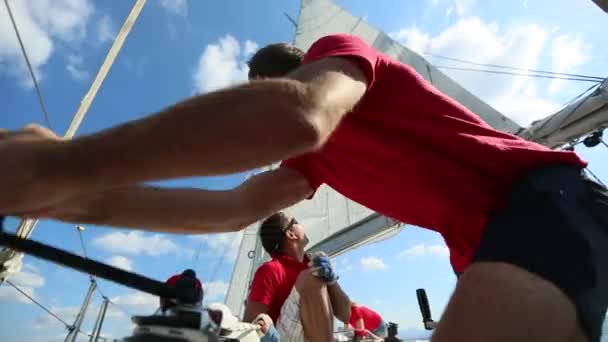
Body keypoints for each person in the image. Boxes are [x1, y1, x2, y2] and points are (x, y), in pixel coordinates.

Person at [1, 32, 606, 341]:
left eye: (258, 87)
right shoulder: (315, 164)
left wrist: (60, 164)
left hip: (541, 199)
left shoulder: (337, 58)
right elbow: (236, 208)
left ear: (278, 75)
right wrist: (63, 202)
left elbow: (297, 113)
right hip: (485, 246)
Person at [243, 212, 352, 342]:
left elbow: (345, 315)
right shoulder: (270, 270)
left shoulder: (316, 264)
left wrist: (331, 280)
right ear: (290, 234)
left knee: (314, 273)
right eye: (295, 221)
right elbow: (250, 325)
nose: (301, 224)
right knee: (312, 276)